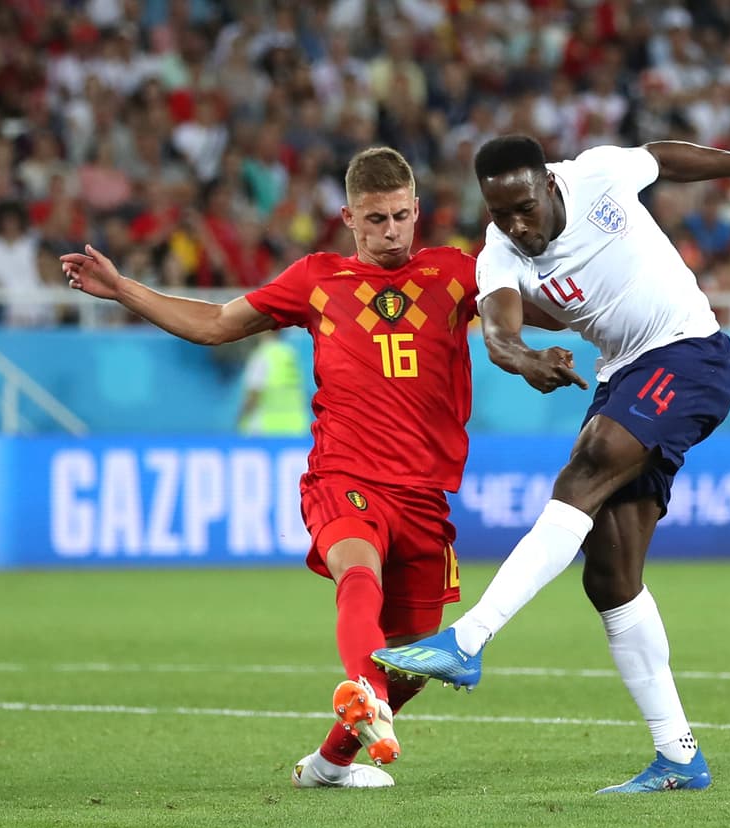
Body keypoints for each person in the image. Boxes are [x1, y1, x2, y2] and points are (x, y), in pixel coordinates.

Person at [374, 118, 730, 793]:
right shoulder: (499, 253)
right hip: (624, 375)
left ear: (549, 184)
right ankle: (678, 757)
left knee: (587, 466)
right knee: (610, 573)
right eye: (500, 213)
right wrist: (526, 359)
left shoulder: (598, 174)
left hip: (689, 352)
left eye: (524, 208)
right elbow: (498, 333)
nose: (517, 225)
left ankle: (468, 640)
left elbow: (664, 157)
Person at [61, 147, 481, 789]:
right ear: (349, 218)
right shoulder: (318, 279)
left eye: (401, 216)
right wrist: (123, 290)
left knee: (417, 652)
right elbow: (215, 323)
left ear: (417, 209)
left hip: (425, 494)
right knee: (358, 571)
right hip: (345, 476)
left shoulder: (455, 272)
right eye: (375, 219)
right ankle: (365, 692)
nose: (391, 231)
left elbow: (536, 304)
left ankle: (329, 765)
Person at [236, 330, 311, 436]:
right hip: (296, 426)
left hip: (267, 429)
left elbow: (253, 395)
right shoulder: (289, 353)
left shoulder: (261, 356)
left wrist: (240, 418)